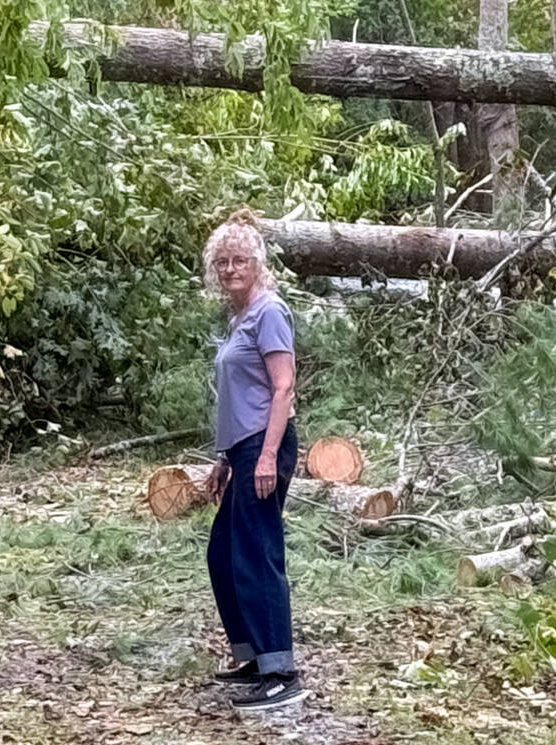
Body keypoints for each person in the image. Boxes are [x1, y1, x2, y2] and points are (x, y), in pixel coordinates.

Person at [202, 208, 307, 711]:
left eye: (239, 259)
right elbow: (240, 395)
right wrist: (226, 458)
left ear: (257, 263)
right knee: (223, 553)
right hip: (242, 450)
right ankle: (251, 657)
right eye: (222, 261)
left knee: (257, 554)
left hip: (266, 446)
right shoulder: (239, 316)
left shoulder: (269, 312)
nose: (229, 269)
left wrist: (266, 457)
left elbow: (283, 388)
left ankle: (281, 671)